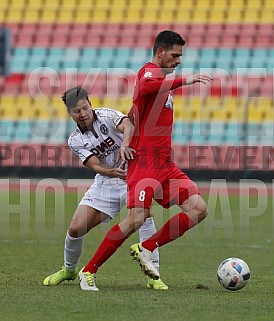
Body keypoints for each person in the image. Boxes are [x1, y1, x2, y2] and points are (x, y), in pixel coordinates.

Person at [78, 30, 213, 288]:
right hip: (146, 163)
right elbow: (147, 86)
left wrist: (127, 140)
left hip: (166, 164)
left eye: (181, 56)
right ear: (160, 52)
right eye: (174, 55)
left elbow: (132, 115)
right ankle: (88, 270)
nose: (178, 61)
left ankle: (147, 246)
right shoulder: (149, 72)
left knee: (198, 209)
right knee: (136, 219)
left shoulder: (160, 81)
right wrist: (183, 81)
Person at [43, 86, 168, 291]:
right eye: (77, 111)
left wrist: (124, 144)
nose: (83, 114)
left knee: (145, 217)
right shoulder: (75, 140)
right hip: (107, 183)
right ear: (70, 113)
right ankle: (69, 269)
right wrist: (111, 172)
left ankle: (154, 275)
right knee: (76, 228)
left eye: (85, 108)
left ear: (90, 104)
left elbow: (128, 125)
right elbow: (95, 165)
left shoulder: (107, 115)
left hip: (135, 174)